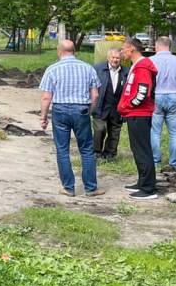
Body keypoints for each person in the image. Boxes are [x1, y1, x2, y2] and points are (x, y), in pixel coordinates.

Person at [38, 40, 102, 197]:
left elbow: (46, 97)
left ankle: (68, 188)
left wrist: (43, 117)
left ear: (59, 51)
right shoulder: (88, 68)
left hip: (60, 110)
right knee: (86, 150)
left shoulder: (52, 69)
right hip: (81, 109)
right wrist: (90, 111)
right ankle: (91, 188)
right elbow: (95, 95)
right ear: (75, 51)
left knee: (62, 150)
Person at [118, 37, 158, 199]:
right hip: (135, 113)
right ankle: (143, 182)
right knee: (137, 149)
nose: (122, 52)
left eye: (123, 49)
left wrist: (128, 106)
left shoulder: (142, 67)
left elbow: (142, 92)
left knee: (142, 150)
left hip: (139, 114)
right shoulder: (136, 66)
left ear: (132, 49)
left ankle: (148, 188)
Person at [150, 36, 176, 173]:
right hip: (175, 96)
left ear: (156, 46)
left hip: (156, 97)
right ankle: (175, 163)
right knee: (175, 133)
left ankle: (155, 161)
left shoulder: (150, 61)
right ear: (170, 46)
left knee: (155, 132)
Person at [92, 47, 127, 161]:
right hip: (101, 106)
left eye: (117, 58)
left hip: (117, 107)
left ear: (121, 59)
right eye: (113, 57)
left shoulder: (126, 72)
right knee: (99, 130)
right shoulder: (98, 69)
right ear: (108, 57)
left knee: (114, 132)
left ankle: (110, 154)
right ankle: (96, 153)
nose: (115, 60)